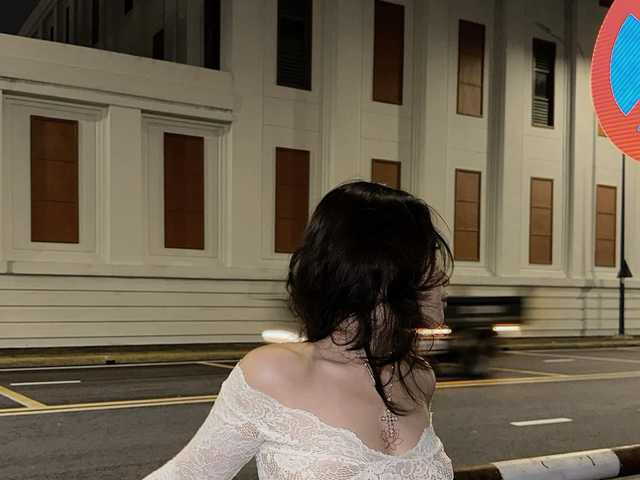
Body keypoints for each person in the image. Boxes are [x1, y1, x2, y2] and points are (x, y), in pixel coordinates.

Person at [142, 180, 455, 479]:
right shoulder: (272, 373)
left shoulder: (419, 377)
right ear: (380, 270)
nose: (442, 276)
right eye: (425, 257)